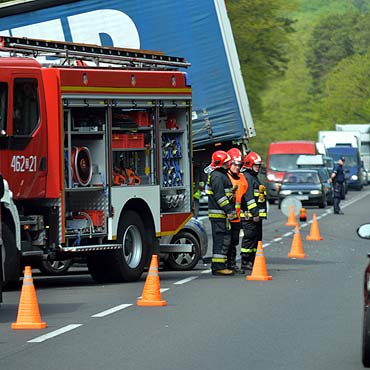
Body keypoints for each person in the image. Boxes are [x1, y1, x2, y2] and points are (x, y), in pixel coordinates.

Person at [206, 150, 238, 276]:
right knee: (221, 241)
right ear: (220, 163)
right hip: (219, 215)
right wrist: (229, 210)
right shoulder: (217, 176)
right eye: (226, 163)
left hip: (221, 215)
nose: (228, 164)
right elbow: (220, 197)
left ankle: (220, 265)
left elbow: (223, 194)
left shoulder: (220, 175)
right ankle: (218, 267)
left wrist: (231, 193)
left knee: (224, 240)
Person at [240, 151, 267, 272]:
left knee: (256, 239)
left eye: (259, 165)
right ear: (249, 164)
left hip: (255, 216)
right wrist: (255, 213)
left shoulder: (253, 177)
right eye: (256, 165)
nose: (258, 167)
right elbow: (249, 197)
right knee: (249, 239)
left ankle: (252, 260)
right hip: (250, 216)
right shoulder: (247, 177)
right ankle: (246, 261)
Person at [226, 148, 248, 273]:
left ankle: (232, 264)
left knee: (234, 241)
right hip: (227, 216)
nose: (237, 167)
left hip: (237, 217)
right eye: (235, 164)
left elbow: (243, 197)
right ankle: (226, 264)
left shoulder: (242, 178)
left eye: (239, 165)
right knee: (226, 242)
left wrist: (245, 210)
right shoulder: (225, 177)